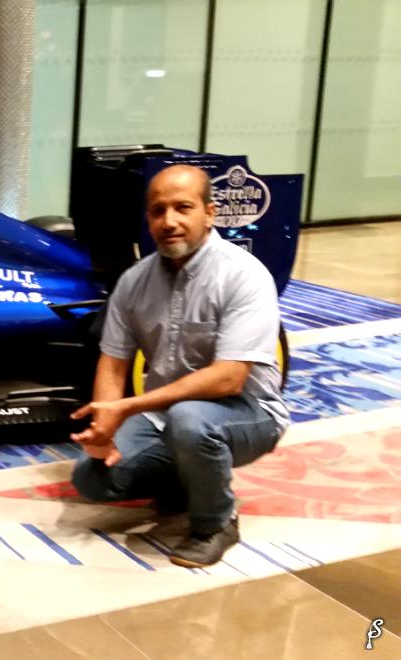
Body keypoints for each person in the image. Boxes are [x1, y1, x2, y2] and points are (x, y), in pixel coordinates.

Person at [69, 163, 287, 568]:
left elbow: (228, 378)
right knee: (92, 479)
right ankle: (187, 480)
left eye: (183, 208)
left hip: (249, 412)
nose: (169, 221)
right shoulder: (134, 282)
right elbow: (113, 363)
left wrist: (128, 407)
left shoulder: (244, 276)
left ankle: (216, 522)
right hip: (165, 417)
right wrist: (104, 424)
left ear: (210, 213)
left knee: (190, 422)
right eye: (158, 211)